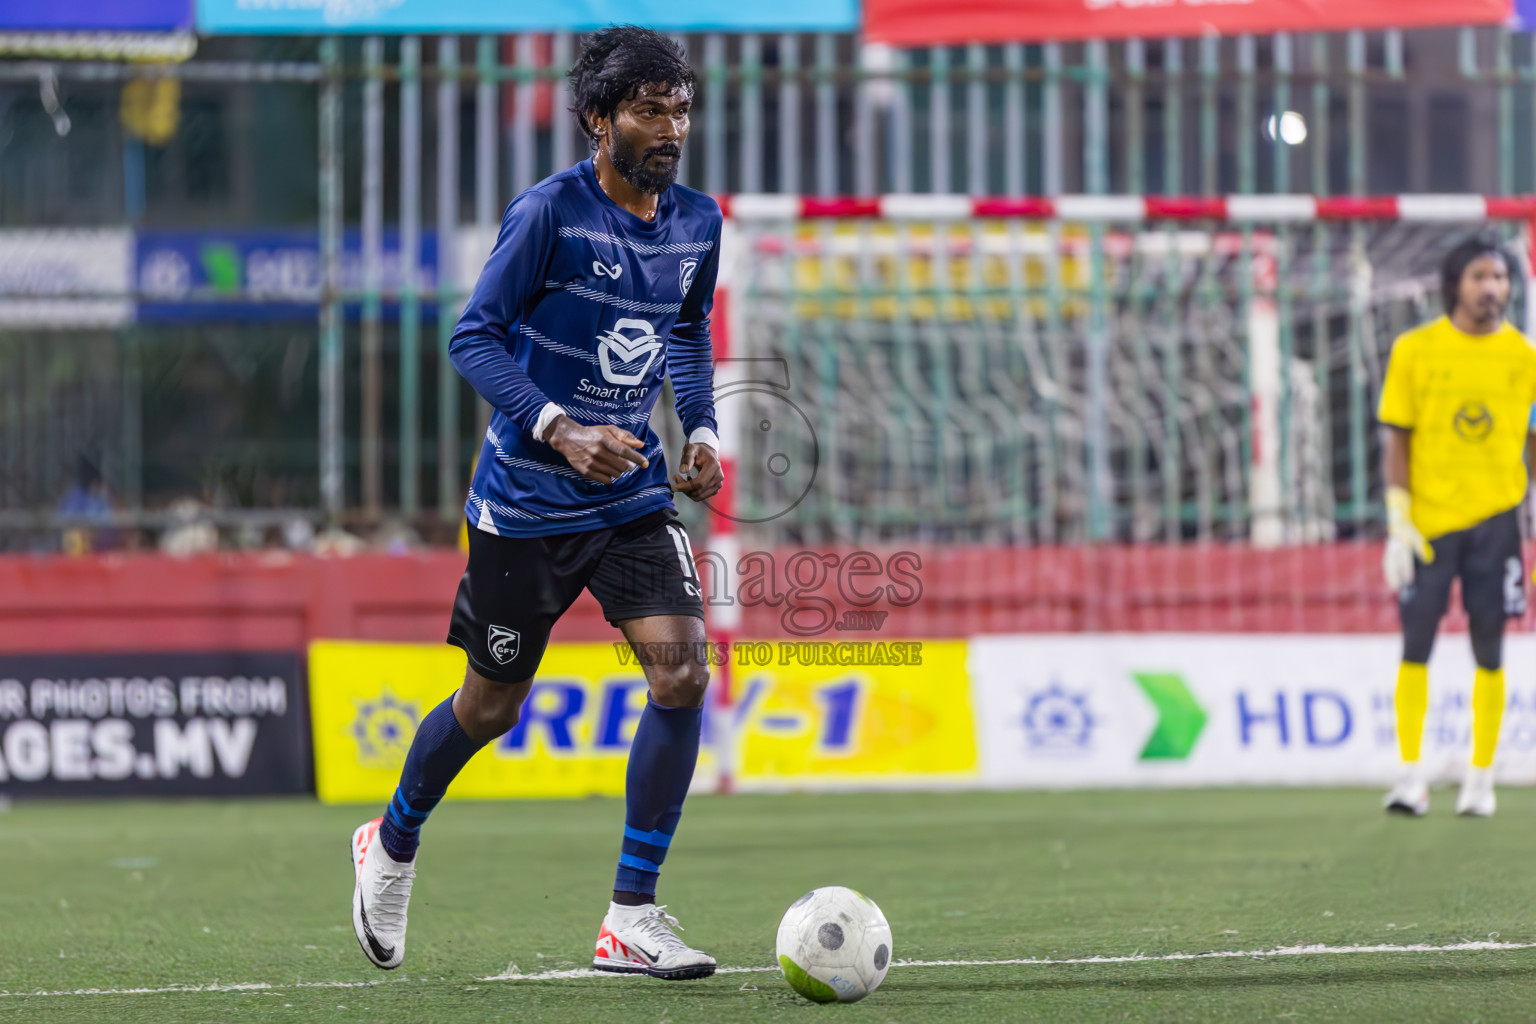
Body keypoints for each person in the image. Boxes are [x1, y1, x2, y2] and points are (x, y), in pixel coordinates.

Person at [349, 26, 725, 980]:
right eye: (649, 109)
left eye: (679, 108)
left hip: (633, 496)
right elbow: (472, 338)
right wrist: (560, 428)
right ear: (600, 119)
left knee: (682, 674)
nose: (670, 127)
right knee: (489, 707)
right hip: (525, 502)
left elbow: (685, 332)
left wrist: (704, 433)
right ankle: (391, 841)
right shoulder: (548, 215)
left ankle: (629, 917)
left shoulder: (698, 222)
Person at [1378, 233, 1536, 818]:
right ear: (1455, 285)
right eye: (1480, 277)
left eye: (1499, 278)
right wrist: (1398, 519)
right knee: (1415, 645)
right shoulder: (1415, 351)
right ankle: (1411, 775)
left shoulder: (1524, 359)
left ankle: (1481, 778)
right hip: (1428, 523)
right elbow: (1398, 439)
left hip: (1497, 523)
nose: (1492, 288)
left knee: (1489, 650)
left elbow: (1535, 441)